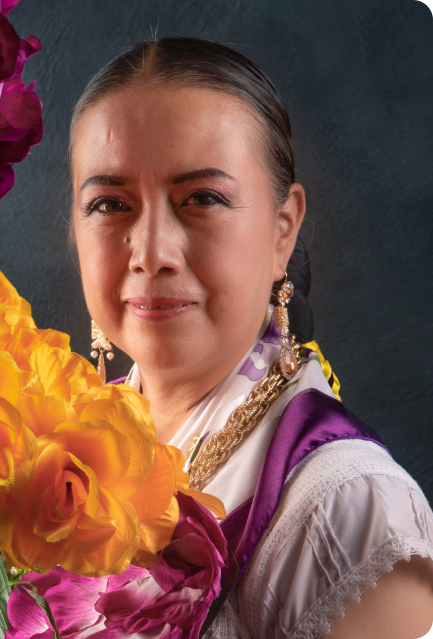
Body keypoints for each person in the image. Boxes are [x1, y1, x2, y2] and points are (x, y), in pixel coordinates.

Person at [69, 37, 433, 638]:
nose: (152, 253)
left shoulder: (348, 515)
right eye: (109, 205)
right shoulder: (62, 456)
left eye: (202, 199)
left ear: (283, 229)